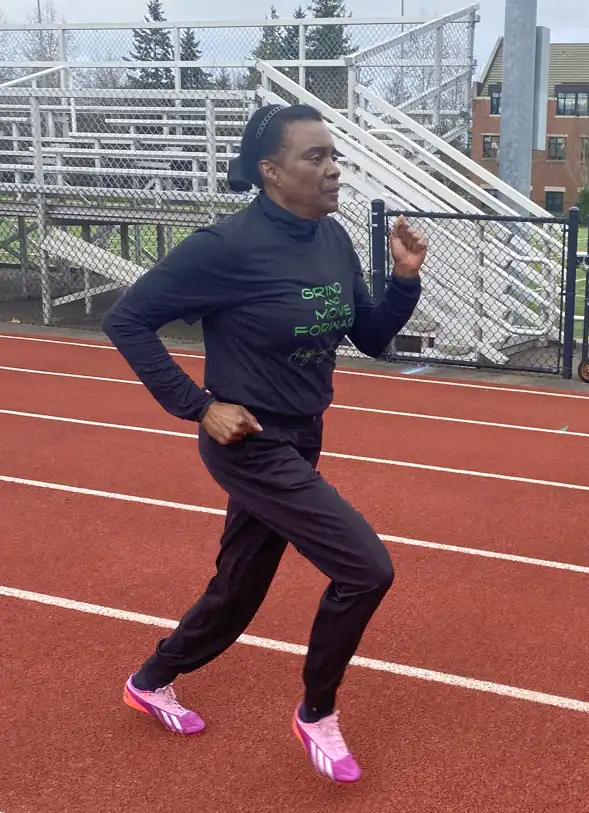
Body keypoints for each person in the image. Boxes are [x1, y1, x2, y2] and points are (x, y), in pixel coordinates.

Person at [102, 102, 428, 783]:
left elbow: (369, 335)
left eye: (333, 154)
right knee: (366, 567)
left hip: (304, 435)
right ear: (271, 171)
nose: (333, 167)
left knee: (239, 588)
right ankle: (317, 711)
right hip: (249, 441)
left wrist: (404, 280)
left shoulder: (332, 238)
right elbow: (128, 319)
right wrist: (199, 406)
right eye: (315, 157)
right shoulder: (225, 246)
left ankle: (151, 677)